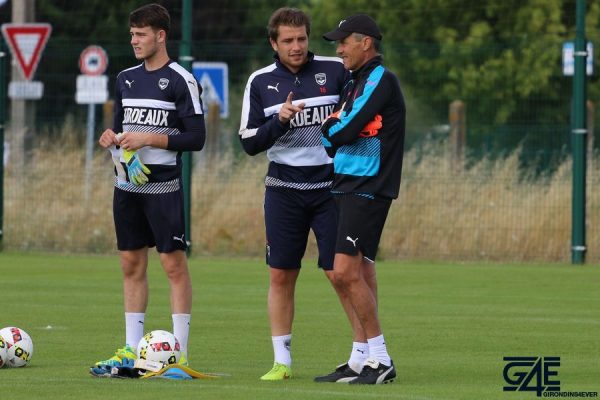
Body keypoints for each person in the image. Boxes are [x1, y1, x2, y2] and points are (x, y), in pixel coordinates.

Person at [239, 7, 367, 381]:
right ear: (273, 43)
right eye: (288, 41)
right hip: (283, 191)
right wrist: (279, 120)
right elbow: (248, 144)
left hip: (331, 190)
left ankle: (363, 354)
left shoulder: (336, 70)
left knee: (340, 274)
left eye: (301, 39)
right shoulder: (260, 82)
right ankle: (282, 362)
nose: (296, 47)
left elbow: (360, 113)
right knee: (281, 275)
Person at [91, 3, 205, 376]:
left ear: (160, 36)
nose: (134, 40)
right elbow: (121, 130)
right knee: (130, 263)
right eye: (132, 34)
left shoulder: (180, 79)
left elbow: (196, 137)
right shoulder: (124, 77)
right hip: (127, 184)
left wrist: (148, 138)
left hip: (164, 186)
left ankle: (180, 355)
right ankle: (130, 348)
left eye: (141, 34)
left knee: (172, 263)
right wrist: (111, 138)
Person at [316, 14, 406, 385]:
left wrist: (333, 126)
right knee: (352, 273)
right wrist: (333, 127)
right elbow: (331, 136)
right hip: (345, 183)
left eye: (343, 42)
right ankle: (360, 358)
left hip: (367, 186)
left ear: (365, 42)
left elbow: (343, 127)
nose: (338, 50)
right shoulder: (354, 82)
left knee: (344, 271)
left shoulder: (380, 79)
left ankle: (381, 360)